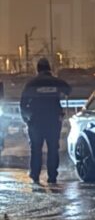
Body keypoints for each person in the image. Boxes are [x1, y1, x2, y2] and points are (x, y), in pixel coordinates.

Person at [19, 58, 71, 186]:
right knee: (53, 148)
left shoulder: (31, 84)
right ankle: (52, 176)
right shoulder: (56, 82)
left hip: (36, 121)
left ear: (38, 69)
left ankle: (35, 175)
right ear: (49, 69)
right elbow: (68, 90)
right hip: (53, 120)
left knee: (36, 149)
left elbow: (23, 104)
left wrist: (26, 118)